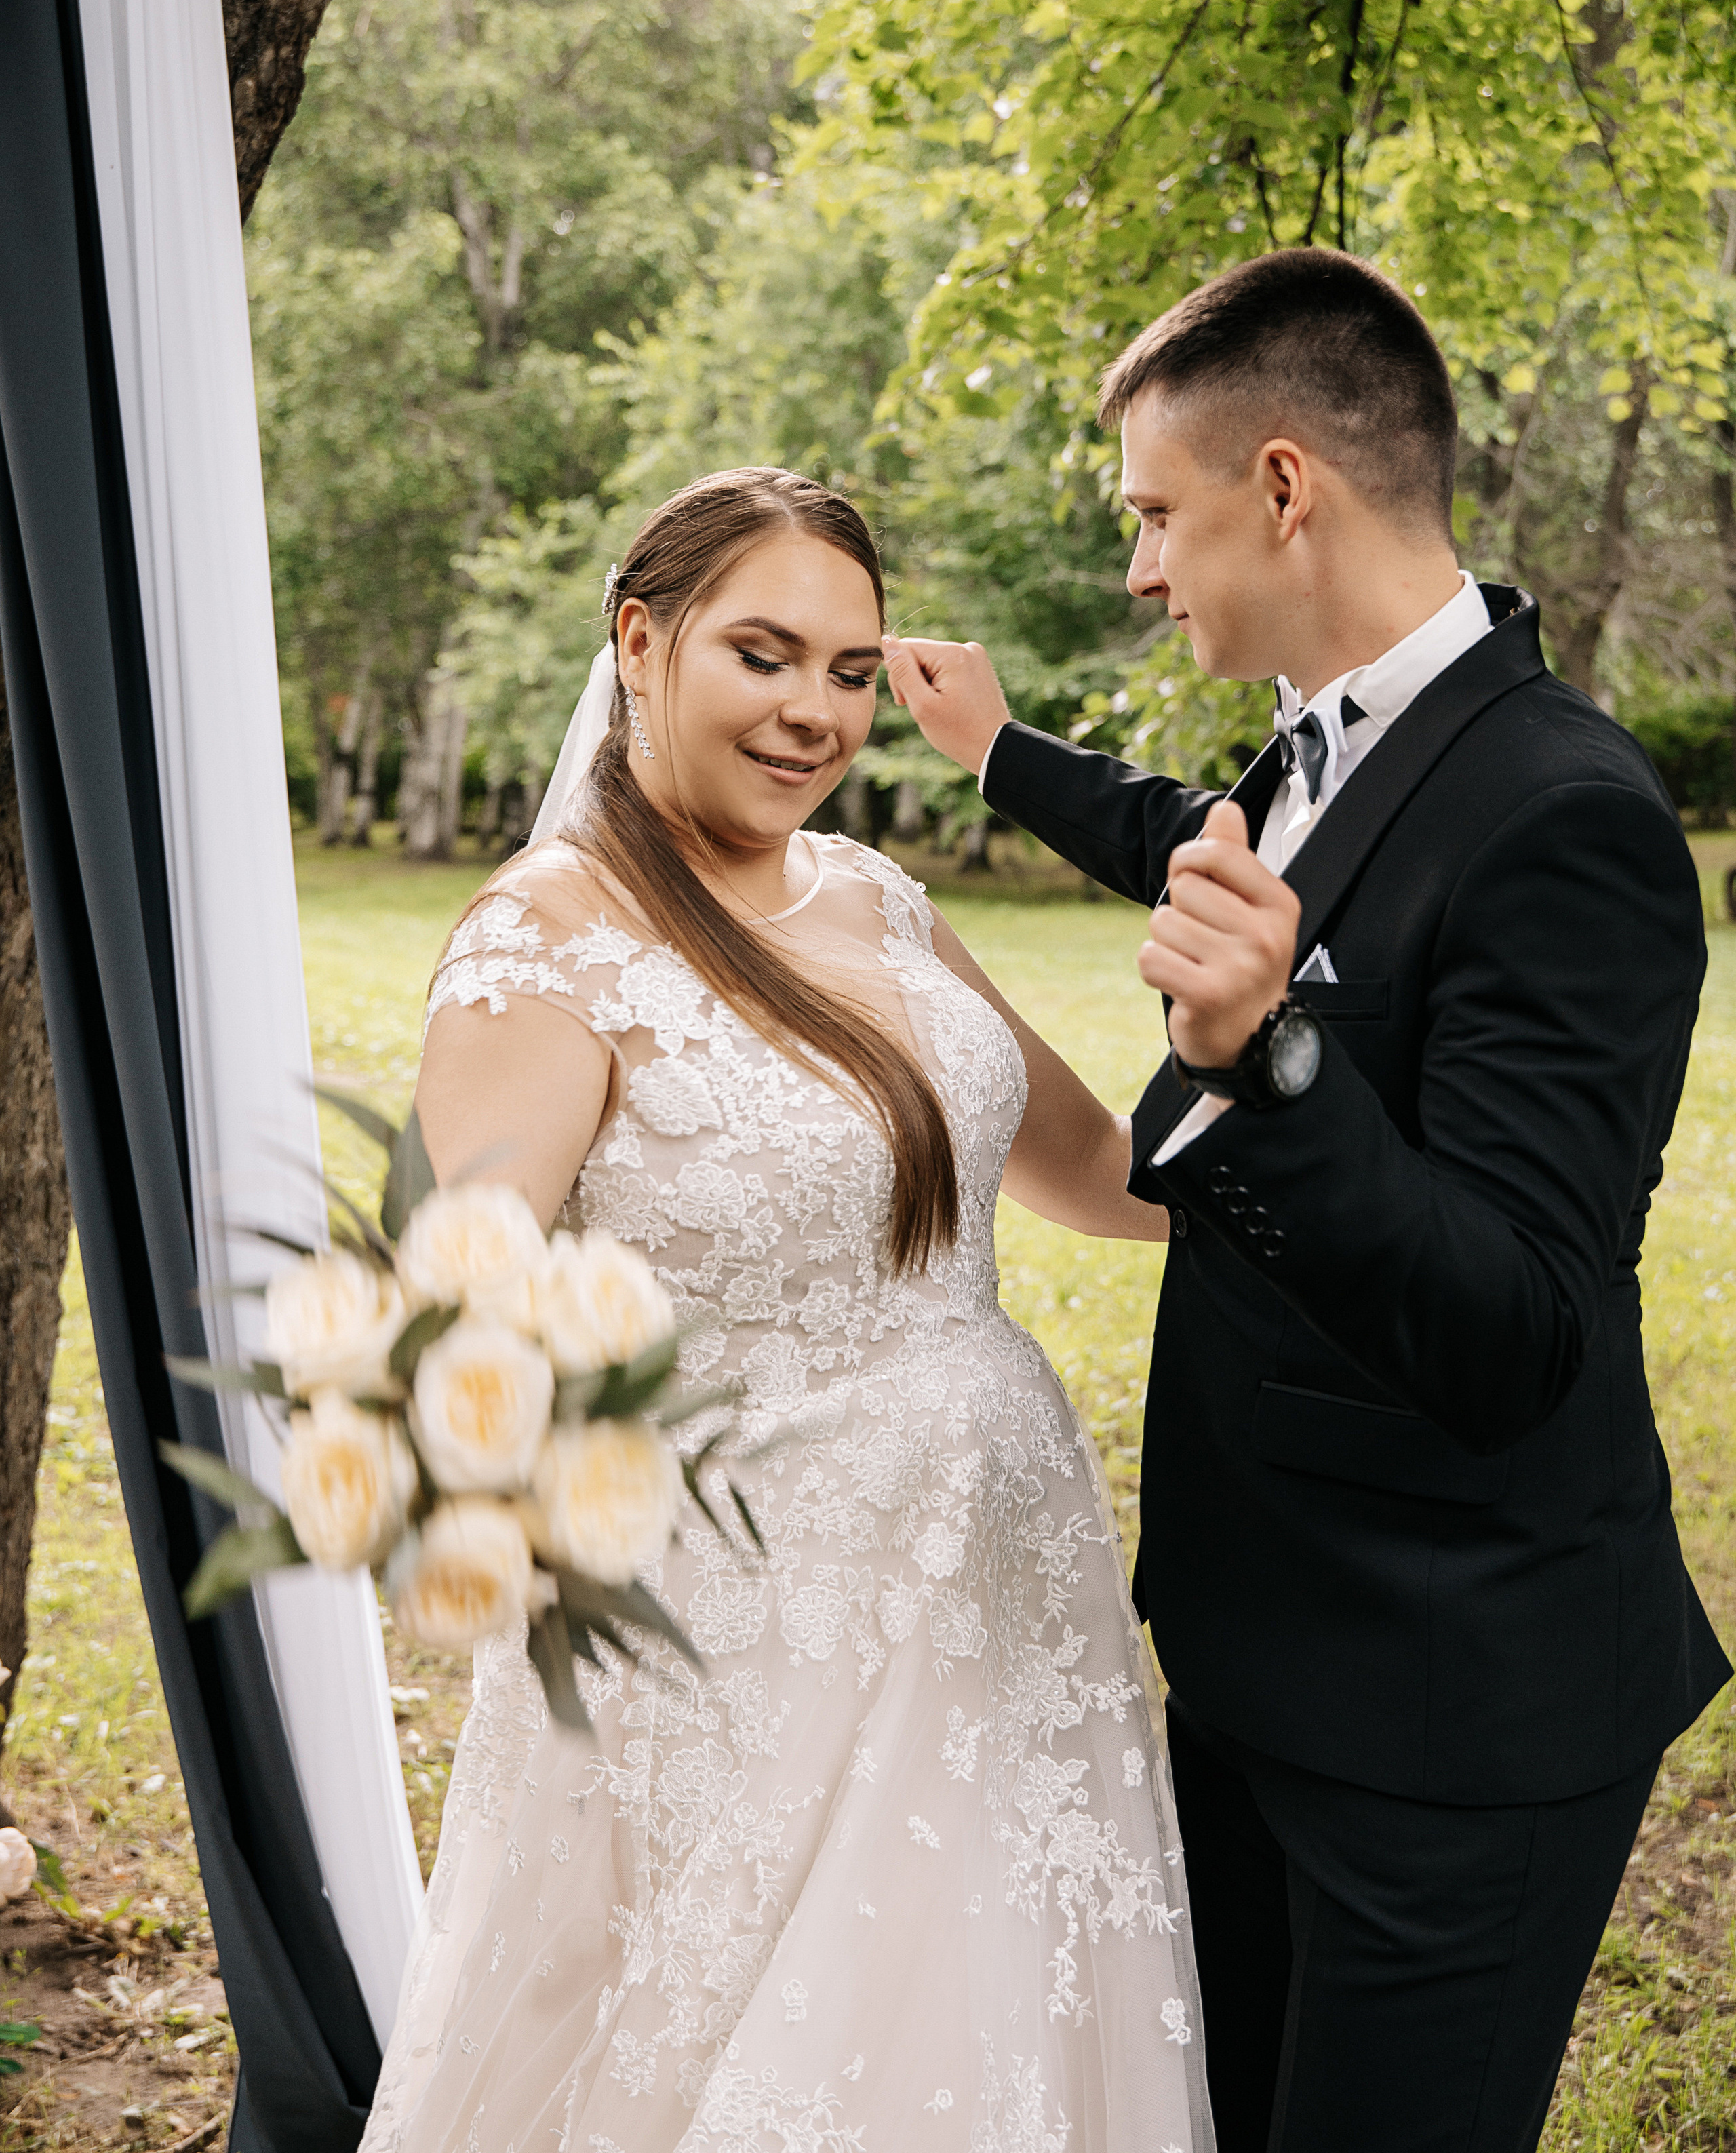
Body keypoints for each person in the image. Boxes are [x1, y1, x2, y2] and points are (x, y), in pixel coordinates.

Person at [881, 245, 1731, 2153]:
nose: (1138, 568)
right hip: (1271, 1664)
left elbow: (1516, 1326)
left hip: (1449, 1725)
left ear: (1286, 487)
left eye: (1156, 515)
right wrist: (997, 751)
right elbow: (1189, 837)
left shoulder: (1565, 817)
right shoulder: (1332, 740)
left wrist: (1270, 1058)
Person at [361, 468, 1215, 2153]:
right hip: (748, 1638)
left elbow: (1108, 1171)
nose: (813, 712)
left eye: (847, 670)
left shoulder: (876, 901)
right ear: (639, 639)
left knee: (999, 2040)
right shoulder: (550, 944)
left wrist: (1279, 1051)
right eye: (764, 655)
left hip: (996, 1589)